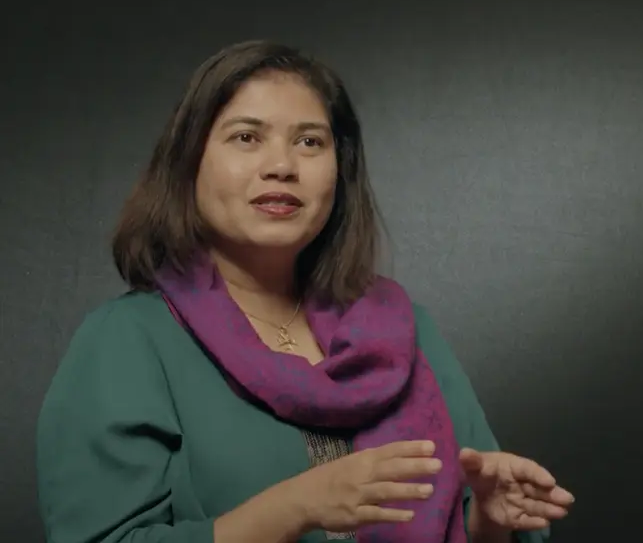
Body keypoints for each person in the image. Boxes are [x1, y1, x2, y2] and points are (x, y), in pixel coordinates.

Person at [35, 40, 573, 543]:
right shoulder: (128, 341)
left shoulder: (403, 329)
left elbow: (462, 525)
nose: (282, 166)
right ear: (188, 163)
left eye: (309, 142)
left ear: (340, 173)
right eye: (247, 137)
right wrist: (295, 507)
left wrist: (488, 518)